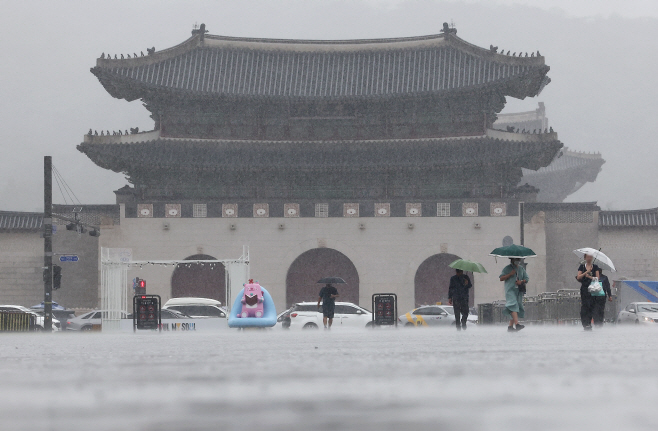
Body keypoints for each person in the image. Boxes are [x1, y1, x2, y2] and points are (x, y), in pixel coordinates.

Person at [499, 258, 529, 332]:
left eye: (518, 259)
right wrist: (510, 274)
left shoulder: (521, 269)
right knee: (513, 305)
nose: (517, 261)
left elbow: (527, 278)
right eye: (516, 259)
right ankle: (517, 324)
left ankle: (510, 326)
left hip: (518, 291)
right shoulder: (507, 268)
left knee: (516, 307)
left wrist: (521, 281)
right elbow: (501, 278)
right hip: (510, 290)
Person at [576, 254, 601, 331]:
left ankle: (589, 322)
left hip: (593, 288)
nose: (589, 258)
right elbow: (578, 277)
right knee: (584, 306)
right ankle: (585, 323)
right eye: (588, 257)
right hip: (584, 288)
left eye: (591, 257)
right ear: (585, 258)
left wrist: (590, 277)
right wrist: (586, 272)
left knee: (591, 305)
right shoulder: (582, 266)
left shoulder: (595, 267)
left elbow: (597, 278)